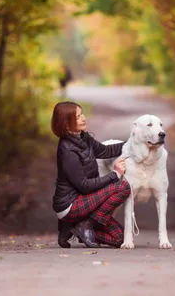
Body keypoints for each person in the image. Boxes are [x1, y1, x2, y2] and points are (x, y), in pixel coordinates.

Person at [51, 101, 130, 248]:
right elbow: (84, 186)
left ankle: (76, 227)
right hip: (70, 205)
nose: (83, 118)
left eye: (82, 114)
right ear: (66, 124)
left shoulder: (83, 138)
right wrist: (115, 174)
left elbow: (105, 151)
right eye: (78, 116)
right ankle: (85, 224)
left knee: (120, 238)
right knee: (123, 187)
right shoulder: (67, 151)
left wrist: (133, 143)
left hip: (85, 201)